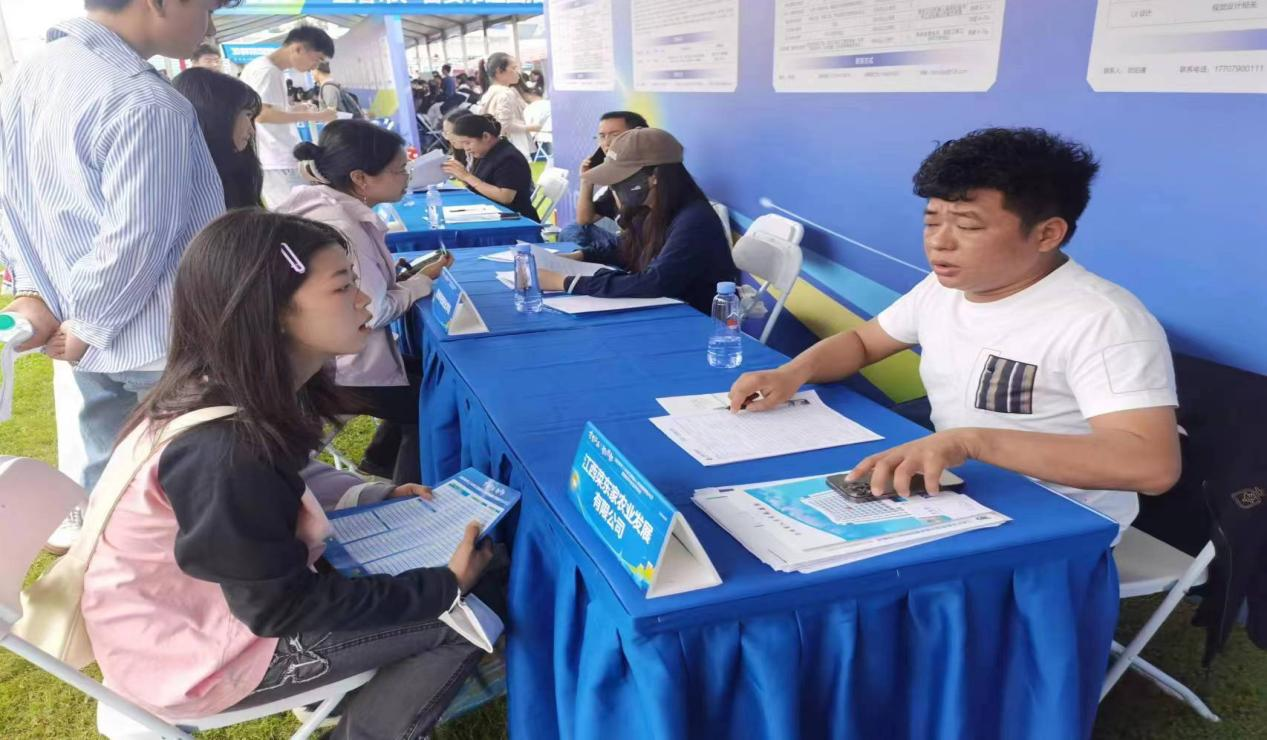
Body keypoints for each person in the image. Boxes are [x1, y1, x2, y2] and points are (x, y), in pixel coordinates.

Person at [78, 209, 499, 738]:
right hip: (195, 658)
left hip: (205, 616)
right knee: (463, 617)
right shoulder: (224, 450)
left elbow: (290, 477)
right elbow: (278, 608)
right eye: (343, 287)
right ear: (274, 310)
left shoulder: (226, 391)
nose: (364, 301)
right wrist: (442, 586)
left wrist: (372, 494)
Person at [728, 128, 1181, 534]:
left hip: (1059, 516)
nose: (939, 242)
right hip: (960, 486)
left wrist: (970, 441)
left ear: (1047, 234)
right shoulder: (945, 287)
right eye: (931, 222)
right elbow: (863, 342)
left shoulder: (1103, 320)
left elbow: (1151, 466)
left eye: (967, 226)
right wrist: (794, 372)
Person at [0, 0, 229, 553]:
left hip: (79, 332)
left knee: (110, 485)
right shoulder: (145, 99)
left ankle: (111, 584)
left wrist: (35, 290)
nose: (210, 23)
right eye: (207, 6)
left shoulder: (30, 75)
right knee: (198, 492)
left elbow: (14, 203)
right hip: (160, 336)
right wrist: (90, 322)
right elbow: (140, 235)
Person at [278, 121, 452, 482]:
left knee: (429, 377)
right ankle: (410, 497)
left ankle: (378, 462)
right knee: (431, 403)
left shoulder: (320, 206)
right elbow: (372, 312)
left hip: (323, 359)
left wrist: (402, 281)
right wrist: (420, 283)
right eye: (399, 170)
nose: (406, 177)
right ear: (360, 178)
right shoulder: (343, 228)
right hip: (338, 370)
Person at [538, 128, 735, 313]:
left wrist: (564, 282)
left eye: (620, 178)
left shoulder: (695, 221)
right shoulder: (650, 209)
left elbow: (654, 283)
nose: (613, 187)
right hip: (659, 311)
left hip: (692, 320)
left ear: (654, 177)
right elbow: (624, 247)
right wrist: (576, 257)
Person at [240, 25, 339, 207]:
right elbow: (263, 114)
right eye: (317, 59)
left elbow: (266, 109)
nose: (315, 67)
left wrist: (295, 109)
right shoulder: (267, 71)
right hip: (275, 158)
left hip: (276, 157)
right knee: (295, 214)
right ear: (298, 48)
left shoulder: (267, 69)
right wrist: (315, 115)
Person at [173, 67, 264, 210]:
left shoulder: (240, 166)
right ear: (219, 115)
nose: (252, 130)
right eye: (247, 115)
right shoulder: (182, 182)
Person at [560, 110, 649, 250]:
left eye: (615, 135)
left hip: (644, 245)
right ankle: (583, 258)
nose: (607, 143)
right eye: (602, 136)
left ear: (637, 137)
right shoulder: (616, 176)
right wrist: (587, 179)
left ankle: (586, 258)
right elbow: (585, 219)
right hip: (625, 242)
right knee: (573, 229)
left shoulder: (649, 175)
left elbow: (636, 227)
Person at [442, 113, 540, 222]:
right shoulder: (485, 151)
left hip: (516, 220)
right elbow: (480, 186)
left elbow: (505, 197)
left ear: (486, 136)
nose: (466, 149)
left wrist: (467, 176)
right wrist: (462, 176)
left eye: (468, 143)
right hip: (493, 213)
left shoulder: (509, 158)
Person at [479, 52, 539, 157]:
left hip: (495, 145)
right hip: (511, 144)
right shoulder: (506, 93)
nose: (518, 72)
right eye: (514, 68)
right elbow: (505, 126)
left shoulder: (490, 92)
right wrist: (531, 127)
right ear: (499, 71)